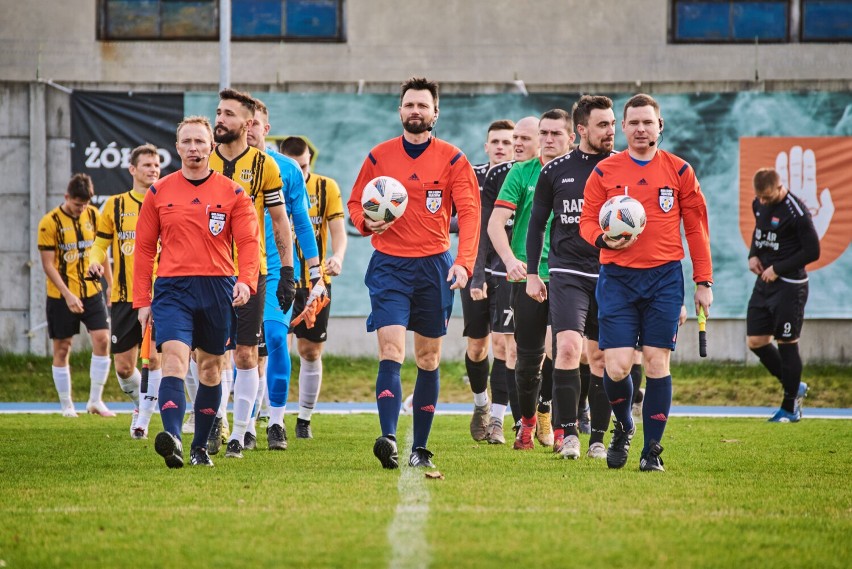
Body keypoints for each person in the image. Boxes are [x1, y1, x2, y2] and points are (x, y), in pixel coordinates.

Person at [347, 76, 480, 470]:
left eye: (423, 105)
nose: (416, 111)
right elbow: (356, 203)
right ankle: (388, 438)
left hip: (434, 267)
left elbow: (471, 215)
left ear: (435, 113)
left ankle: (419, 447)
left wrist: (464, 262)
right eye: (409, 105)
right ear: (399, 110)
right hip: (389, 265)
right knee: (391, 350)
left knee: (427, 357)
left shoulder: (453, 159)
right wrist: (369, 223)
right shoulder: (378, 157)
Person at [579, 93, 713, 472]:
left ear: (660, 126)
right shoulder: (605, 172)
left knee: (657, 362)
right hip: (618, 278)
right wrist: (602, 239)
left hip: (664, 278)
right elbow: (587, 220)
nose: (640, 129)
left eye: (647, 122)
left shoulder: (680, 171)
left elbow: (697, 228)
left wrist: (703, 281)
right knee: (616, 366)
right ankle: (624, 426)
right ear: (623, 128)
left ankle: (651, 450)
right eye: (633, 122)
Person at [133, 115, 260, 469]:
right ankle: (172, 437)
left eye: (200, 142)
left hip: (217, 287)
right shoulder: (159, 192)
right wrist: (142, 300)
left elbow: (249, 242)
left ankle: (199, 447)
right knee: (173, 359)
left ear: (212, 146)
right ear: (177, 148)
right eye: (186, 142)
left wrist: (246, 281)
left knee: (210, 370)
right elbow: (143, 250)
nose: (193, 148)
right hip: (173, 289)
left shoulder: (232, 192)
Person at [526, 96, 617, 459]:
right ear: (581, 129)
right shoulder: (555, 171)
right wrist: (533, 274)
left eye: (613, 124)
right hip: (566, 272)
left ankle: (597, 437)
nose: (611, 131)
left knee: (600, 359)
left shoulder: (622, 167)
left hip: (611, 273)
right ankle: (567, 436)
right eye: (603, 125)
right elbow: (536, 225)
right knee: (567, 348)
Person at [207, 88, 296, 459]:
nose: (220, 120)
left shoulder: (265, 166)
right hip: (207, 273)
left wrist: (288, 271)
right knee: (209, 357)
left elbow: (280, 222)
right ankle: (216, 421)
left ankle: (239, 433)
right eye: (218, 112)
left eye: (228, 114)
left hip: (250, 271)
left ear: (248, 123)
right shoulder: (204, 160)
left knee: (246, 355)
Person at [488, 109, 574, 451]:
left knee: (567, 350)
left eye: (554, 133)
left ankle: (554, 419)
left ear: (570, 136)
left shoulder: (581, 172)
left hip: (569, 274)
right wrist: (510, 261)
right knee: (527, 359)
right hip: (528, 276)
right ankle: (527, 421)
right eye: (544, 133)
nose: (548, 139)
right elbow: (496, 223)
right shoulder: (520, 173)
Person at [245, 108, 321, 450]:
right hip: (232, 268)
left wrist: (315, 271)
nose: (247, 129)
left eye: (254, 123)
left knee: (275, 338)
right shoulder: (217, 166)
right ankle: (240, 422)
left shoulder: (287, 168)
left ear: (266, 128)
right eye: (241, 122)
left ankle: (276, 422)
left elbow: (302, 224)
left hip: (276, 269)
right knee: (235, 349)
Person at [87, 144, 164, 438]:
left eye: (156, 165)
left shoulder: (166, 201)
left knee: (154, 359)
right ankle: (142, 405)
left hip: (159, 296)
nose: (153, 170)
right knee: (123, 368)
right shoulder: (116, 205)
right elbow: (99, 245)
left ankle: (143, 419)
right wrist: (94, 262)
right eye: (146, 165)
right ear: (132, 169)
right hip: (123, 296)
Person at [472, 117, 540, 444]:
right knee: (499, 346)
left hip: (548, 272)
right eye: (505, 139)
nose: (510, 144)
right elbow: (484, 225)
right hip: (501, 271)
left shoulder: (551, 172)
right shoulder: (498, 175)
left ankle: (552, 411)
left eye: (518, 138)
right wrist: (476, 274)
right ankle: (500, 417)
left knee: (560, 349)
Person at [279, 136, 348, 439]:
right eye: (295, 166)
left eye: (305, 166)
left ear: (310, 160)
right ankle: (270, 417)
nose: (300, 171)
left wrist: (338, 256)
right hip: (276, 277)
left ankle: (304, 418)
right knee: (273, 347)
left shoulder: (326, 187)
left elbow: (338, 231)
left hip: (315, 281)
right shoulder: (271, 182)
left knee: (309, 350)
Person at [746, 167, 820, 422]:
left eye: (767, 197)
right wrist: (753, 255)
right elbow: (759, 233)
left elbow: (813, 252)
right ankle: (794, 384)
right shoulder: (759, 202)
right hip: (764, 283)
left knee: (786, 343)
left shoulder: (797, 213)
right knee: (755, 341)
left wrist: (778, 269)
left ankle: (790, 407)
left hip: (790, 285)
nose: (763, 202)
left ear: (780, 188)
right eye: (760, 198)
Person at [38, 173, 114, 418]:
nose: (81, 209)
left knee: (103, 339)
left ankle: (95, 400)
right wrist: (68, 294)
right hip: (61, 296)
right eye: (77, 204)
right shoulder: (49, 223)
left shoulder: (94, 215)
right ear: (66, 197)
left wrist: (110, 283)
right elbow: (48, 265)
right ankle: (66, 404)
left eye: (85, 204)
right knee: (62, 348)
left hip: (92, 291)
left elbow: (102, 252)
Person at [456, 120, 514, 442]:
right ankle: (481, 404)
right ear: (486, 146)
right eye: (496, 141)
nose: (502, 146)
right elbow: (454, 217)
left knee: (505, 345)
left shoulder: (520, 176)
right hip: (473, 268)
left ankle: (497, 420)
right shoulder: (471, 176)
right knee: (478, 347)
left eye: (507, 141)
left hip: (507, 270)